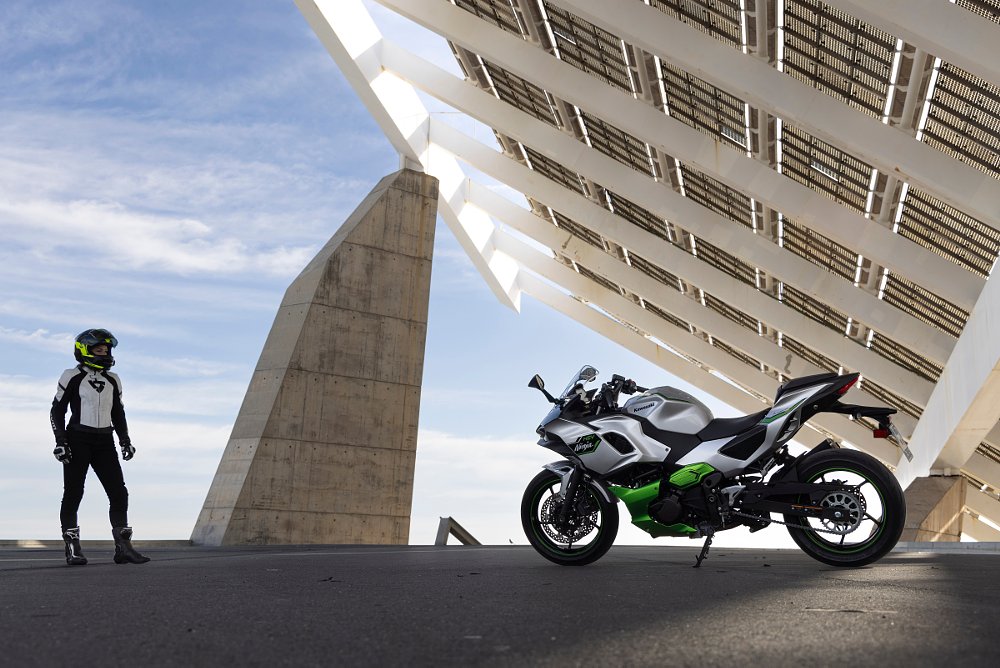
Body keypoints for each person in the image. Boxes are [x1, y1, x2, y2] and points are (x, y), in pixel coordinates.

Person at [50, 328, 150, 566]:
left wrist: (125, 439)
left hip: (105, 441)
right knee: (74, 492)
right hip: (77, 439)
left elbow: (118, 412)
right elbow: (57, 410)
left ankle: (123, 548)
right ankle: (73, 549)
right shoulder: (71, 375)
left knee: (118, 492)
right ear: (85, 350)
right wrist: (60, 441)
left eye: (106, 349)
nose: (104, 352)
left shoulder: (113, 379)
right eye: (98, 349)